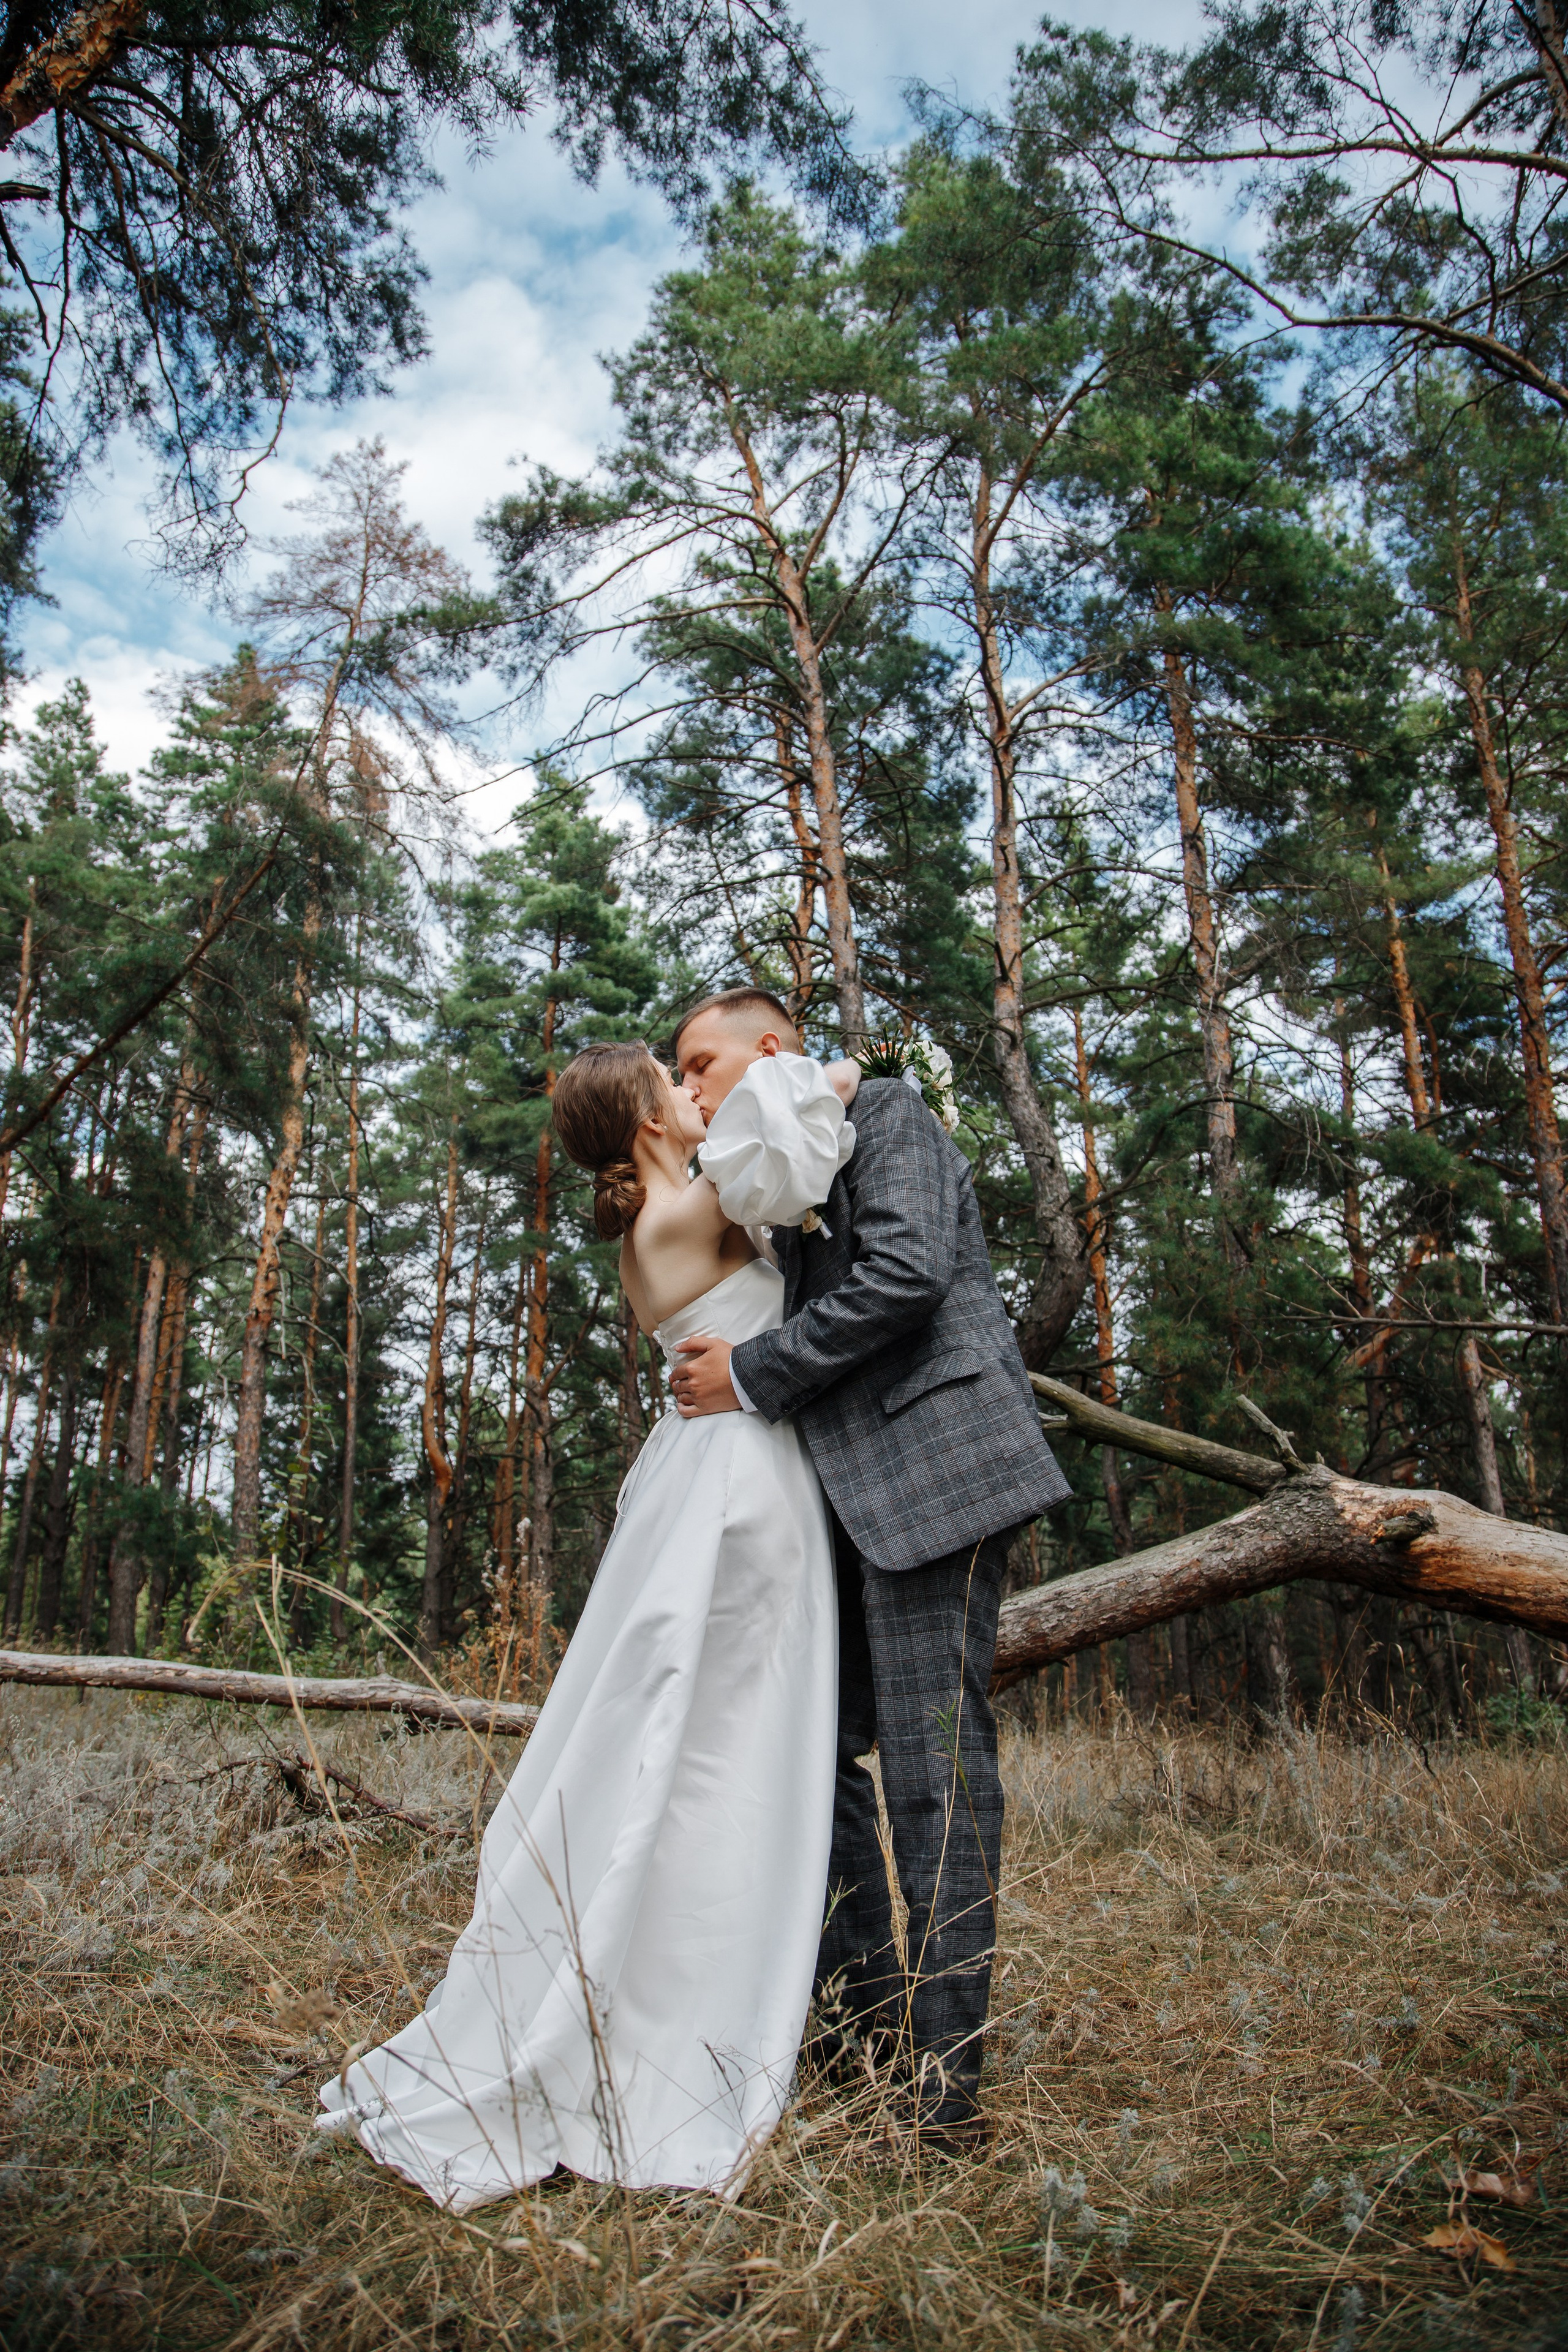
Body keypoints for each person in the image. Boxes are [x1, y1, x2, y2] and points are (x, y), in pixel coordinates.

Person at [316, 1039, 853, 2209]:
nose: (693, 1089)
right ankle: (658, 2009)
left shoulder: (668, 1217)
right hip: (733, 1491)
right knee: (701, 1744)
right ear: (649, 1123)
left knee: (705, 1734)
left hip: (729, 1469)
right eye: (676, 1080)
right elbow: (799, 1127)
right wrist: (842, 1067)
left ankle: (682, 1975)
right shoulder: (673, 1221)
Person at [672, 988, 1070, 2149]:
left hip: (937, 1476)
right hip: (831, 1505)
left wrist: (750, 1373)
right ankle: (864, 2028)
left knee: (934, 1778)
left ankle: (944, 2098)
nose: (692, 1089)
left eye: (703, 1064)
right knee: (808, 1756)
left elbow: (902, 1278)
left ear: (777, 1049)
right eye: (681, 1077)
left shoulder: (888, 1113)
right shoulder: (773, 1176)